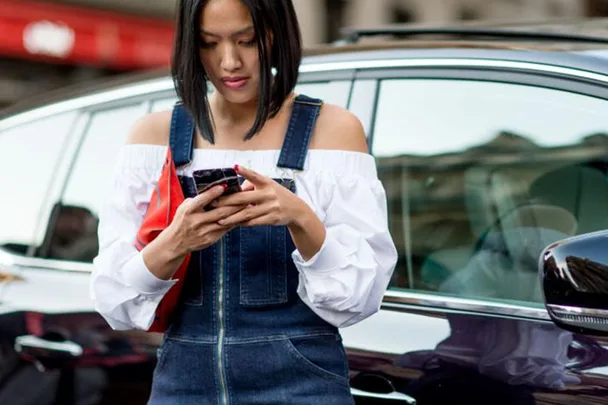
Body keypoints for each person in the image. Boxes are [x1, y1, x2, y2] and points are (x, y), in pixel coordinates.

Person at [90, 0, 397, 403]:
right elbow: (115, 302)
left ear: (278, 34)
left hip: (302, 385)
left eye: (247, 41)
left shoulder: (333, 131)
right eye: (208, 43)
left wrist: (299, 217)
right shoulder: (153, 136)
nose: (229, 62)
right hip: (183, 385)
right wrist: (177, 239)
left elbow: (359, 299)